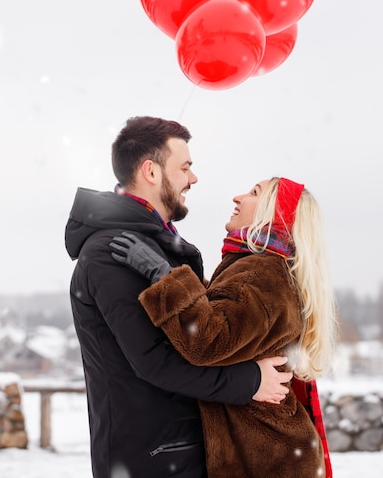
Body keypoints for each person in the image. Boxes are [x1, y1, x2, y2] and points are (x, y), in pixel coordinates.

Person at [65, 116, 293, 478]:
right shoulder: (116, 250)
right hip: (153, 457)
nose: (193, 178)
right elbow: (156, 360)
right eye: (185, 167)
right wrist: (250, 382)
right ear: (151, 172)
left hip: (177, 450)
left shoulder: (154, 245)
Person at [110, 176, 338, 478]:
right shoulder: (257, 267)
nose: (237, 198)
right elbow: (229, 320)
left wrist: (163, 275)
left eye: (254, 193)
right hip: (269, 458)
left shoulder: (263, 272)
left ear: (274, 214)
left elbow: (208, 340)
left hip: (270, 464)